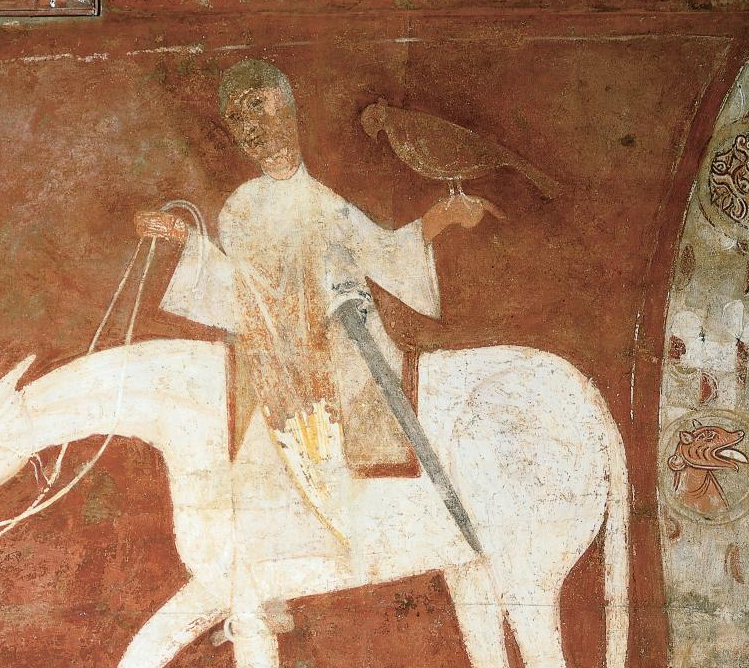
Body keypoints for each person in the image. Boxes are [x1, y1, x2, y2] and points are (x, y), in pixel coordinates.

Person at [134, 60, 496, 524]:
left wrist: (439, 219)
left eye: (257, 106)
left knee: (365, 397)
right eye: (238, 119)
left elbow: (380, 253)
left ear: (288, 108)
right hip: (278, 356)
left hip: (343, 346)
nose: (251, 127)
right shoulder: (239, 208)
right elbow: (242, 292)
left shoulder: (325, 200)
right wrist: (187, 240)